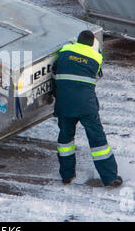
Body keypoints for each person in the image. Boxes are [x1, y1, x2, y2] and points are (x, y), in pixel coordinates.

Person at [52, 30, 123, 187]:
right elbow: (97, 76)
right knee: (98, 142)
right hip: (86, 106)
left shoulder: (64, 52)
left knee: (65, 141)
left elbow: (55, 72)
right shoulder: (95, 58)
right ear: (91, 44)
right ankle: (110, 177)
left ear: (77, 40)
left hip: (65, 104)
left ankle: (66, 176)